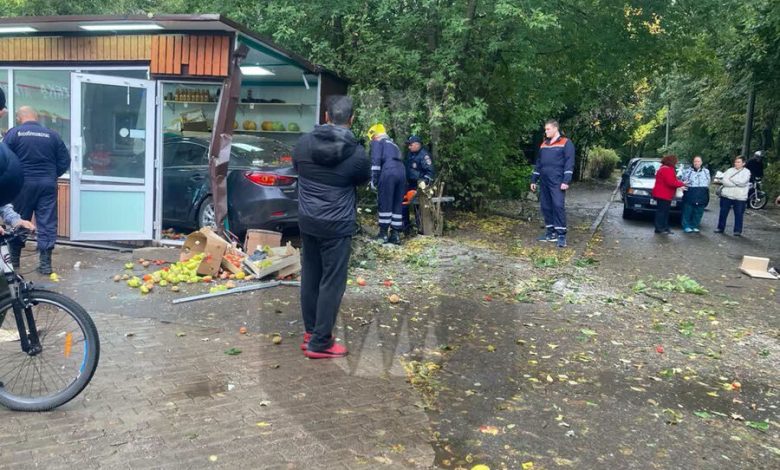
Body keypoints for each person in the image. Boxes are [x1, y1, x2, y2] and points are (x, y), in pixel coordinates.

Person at [292, 95, 370, 359]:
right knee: (332, 282)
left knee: (311, 276)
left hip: (308, 220)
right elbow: (361, 181)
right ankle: (321, 343)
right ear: (351, 119)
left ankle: (310, 333)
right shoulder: (358, 154)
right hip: (337, 224)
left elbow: (298, 170)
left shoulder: (302, 145)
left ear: (326, 117)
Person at [4, 106, 70, 274]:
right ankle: (46, 265)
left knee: (19, 219)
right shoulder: (52, 134)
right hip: (47, 184)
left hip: (22, 185)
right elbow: (64, 160)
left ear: (19, 118)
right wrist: (52, 174)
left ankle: (15, 263)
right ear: (36, 117)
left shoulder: (14, 134)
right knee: (47, 222)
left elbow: (4, 160)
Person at [530, 119, 575, 248]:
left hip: (557, 181)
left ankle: (561, 235)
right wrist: (534, 179)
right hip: (544, 181)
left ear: (555, 129)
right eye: (545, 129)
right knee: (546, 206)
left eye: (548, 129)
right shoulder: (544, 144)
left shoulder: (566, 143)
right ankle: (550, 232)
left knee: (558, 205)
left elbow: (569, 162)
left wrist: (566, 180)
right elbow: (539, 163)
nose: (546, 131)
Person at [368, 123, 405, 245]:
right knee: (396, 202)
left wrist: (374, 180)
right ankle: (395, 235)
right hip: (401, 171)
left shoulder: (377, 142)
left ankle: (383, 234)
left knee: (385, 201)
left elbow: (376, 161)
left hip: (388, 171)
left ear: (375, 135)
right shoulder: (393, 144)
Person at [403, 135, 435, 234]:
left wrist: (423, 184)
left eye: (410, 145)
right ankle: (406, 227)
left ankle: (421, 228)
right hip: (409, 184)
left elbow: (430, 172)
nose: (409, 147)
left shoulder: (424, 156)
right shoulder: (410, 154)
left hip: (419, 185)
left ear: (417, 145)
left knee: (419, 207)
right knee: (404, 204)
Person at [715, 155, 751, 236]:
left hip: (740, 197)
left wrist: (731, 180)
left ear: (743, 163)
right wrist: (735, 183)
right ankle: (720, 227)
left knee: (739, 214)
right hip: (727, 195)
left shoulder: (747, 172)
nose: (736, 163)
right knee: (723, 212)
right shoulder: (730, 170)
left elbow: (743, 182)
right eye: (735, 162)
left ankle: (737, 230)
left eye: (738, 162)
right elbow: (724, 181)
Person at [651, 154, 686, 235]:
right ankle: (660, 228)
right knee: (662, 212)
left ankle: (664, 227)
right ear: (672, 161)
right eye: (675, 161)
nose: (676, 162)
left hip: (661, 194)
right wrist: (682, 183)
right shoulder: (667, 169)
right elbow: (671, 182)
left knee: (663, 212)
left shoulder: (663, 168)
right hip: (664, 195)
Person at [680, 156, 710, 233]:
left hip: (702, 191)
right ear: (693, 162)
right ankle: (686, 226)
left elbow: (708, 181)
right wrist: (683, 187)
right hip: (690, 191)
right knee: (688, 210)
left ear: (701, 162)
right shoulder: (687, 171)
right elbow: (682, 181)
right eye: (695, 161)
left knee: (699, 211)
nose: (697, 163)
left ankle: (695, 225)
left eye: (698, 161)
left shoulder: (706, 171)